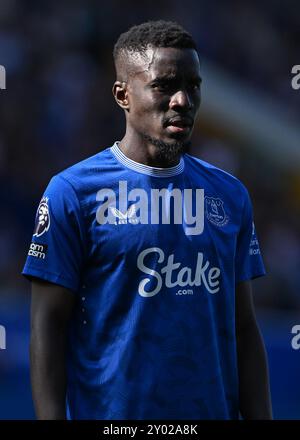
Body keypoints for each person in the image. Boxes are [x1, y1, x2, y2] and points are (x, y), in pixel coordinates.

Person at [22, 20, 272, 420]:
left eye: (193, 86)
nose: (182, 100)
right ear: (122, 94)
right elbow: (48, 325)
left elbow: (243, 326)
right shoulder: (72, 193)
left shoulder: (229, 196)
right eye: (164, 85)